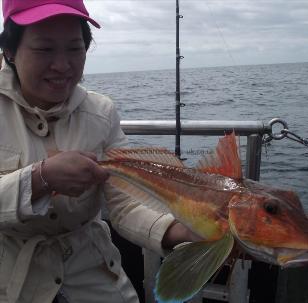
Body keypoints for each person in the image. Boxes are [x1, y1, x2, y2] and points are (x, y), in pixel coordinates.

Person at [0, 1, 199, 302]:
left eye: (75, 48)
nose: (63, 65)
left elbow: (125, 204)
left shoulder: (101, 112)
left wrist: (179, 231)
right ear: (10, 51)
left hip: (91, 272)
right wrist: (40, 179)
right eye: (44, 49)